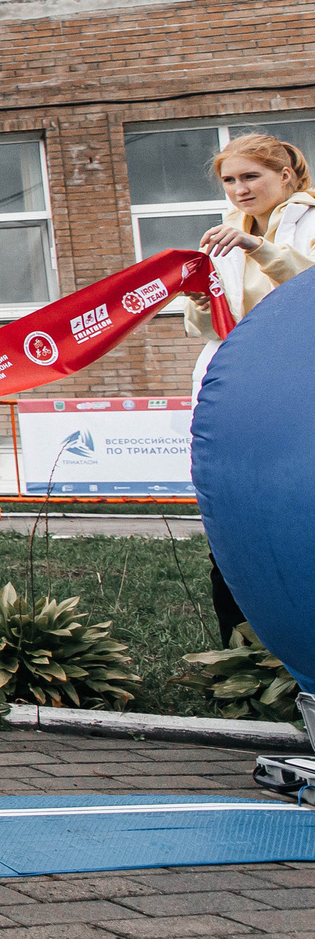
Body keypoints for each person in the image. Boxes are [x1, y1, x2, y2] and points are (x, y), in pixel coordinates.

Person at [172, 132, 315, 646]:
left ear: (287, 175)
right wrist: (198, 302)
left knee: (296, 511)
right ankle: (239, 654)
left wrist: (262, 249)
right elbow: (210, 329)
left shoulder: (309, 223)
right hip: (239, 386)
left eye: (251, 176)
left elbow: (309, 292)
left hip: (299, 383)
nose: (239, 189)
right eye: (229, 180)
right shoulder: (223, 234)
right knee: (234, 522)